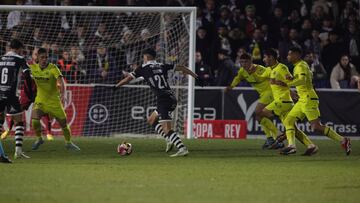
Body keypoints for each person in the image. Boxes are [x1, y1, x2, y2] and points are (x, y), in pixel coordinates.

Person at [113, 48, 200, 157]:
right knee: (151, 119)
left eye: (143, 57)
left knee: (167, 128)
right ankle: (169, 140)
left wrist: (116, 86)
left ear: (147, 57)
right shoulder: (162, 65)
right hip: (170, 97)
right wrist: (196, 76)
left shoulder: (143, 68)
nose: (143, 59)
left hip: (164, 100)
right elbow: (182, 67)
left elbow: (127, 79)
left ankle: (182, 148)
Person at [283, 47, 351, 155]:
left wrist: (286, 84)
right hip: (303, 99)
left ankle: (343, 140)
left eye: (290, 54)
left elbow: (302, 80)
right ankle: (291, 146)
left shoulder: (301, 66)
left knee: (316, 127)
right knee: (288, 121)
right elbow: (303, 80)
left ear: (296, 55)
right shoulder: (298, 66)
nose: (288, 56)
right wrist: (291, 79)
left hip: (308, 99)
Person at [253, 49, 318, 155]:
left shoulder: (282, 68)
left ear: (272, 57)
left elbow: (289, 81)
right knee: (292, 127)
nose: (264, 59)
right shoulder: (270, 69)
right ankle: (309, 145)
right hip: (281, 102)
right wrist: (252, 69)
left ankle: (279, 135)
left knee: (261, 112)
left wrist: (291, 90)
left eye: (266, 57)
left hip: (284, 101)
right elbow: (260, 76)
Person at [224, 53, 281, 149]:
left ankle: (278, 133)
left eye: (246, 62)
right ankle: (270, 138)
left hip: (270, 92)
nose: (243, 64)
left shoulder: (259, 68)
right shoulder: (242, 71)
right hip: (263, 94)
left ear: (251, 61)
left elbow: (271, 76)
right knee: (258, 117)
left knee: (257, 111)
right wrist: (231, 87)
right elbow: (237, 78)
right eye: (241, 62)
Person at [30, 48, 80, 151]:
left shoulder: (53, 68)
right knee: (35, 121)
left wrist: (62, 94)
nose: (44, 59)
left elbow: (61, 82)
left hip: (54, 101)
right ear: (38, 58)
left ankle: (68, 143)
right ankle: (39, 139)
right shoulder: (32, 68)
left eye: (46, 57)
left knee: (64, 124)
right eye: (42, 57)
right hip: (40, 100)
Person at [0, 39, 34, 160]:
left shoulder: (2, 58)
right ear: (19, 48)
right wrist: (30, 90)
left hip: (0, 93)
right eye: (21, 49)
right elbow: (27, 73)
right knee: (19, 121)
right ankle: (18, 151)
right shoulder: (19, 59)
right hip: (12, 95)